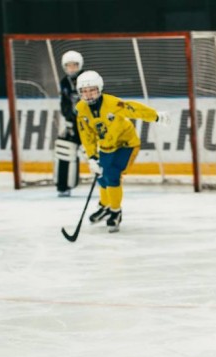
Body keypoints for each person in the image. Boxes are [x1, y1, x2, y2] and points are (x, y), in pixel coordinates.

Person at [74, 70, 169, 233]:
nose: (88, 95)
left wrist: (155, 116)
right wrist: (91, 157)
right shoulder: (81, 109)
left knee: (111, 175)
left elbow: (134, 109)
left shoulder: (112, 103)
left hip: (126, 144)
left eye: (92, 90)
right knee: (101, 177)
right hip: (105, 146)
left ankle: (115, 212)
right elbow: (86, 134)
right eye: (84, 91)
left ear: (100, 89)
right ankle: (105, 206)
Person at [55, 50, 85, 197]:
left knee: (99, 152)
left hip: (89, 124)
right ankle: (63, 186)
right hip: (73, 124)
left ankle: (107, 181)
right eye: (69, 66)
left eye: (74, 65)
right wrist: (69, 118)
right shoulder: (64, 82)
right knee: (64, 149)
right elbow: (64, 104)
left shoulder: (88, 78)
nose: (72, 68)